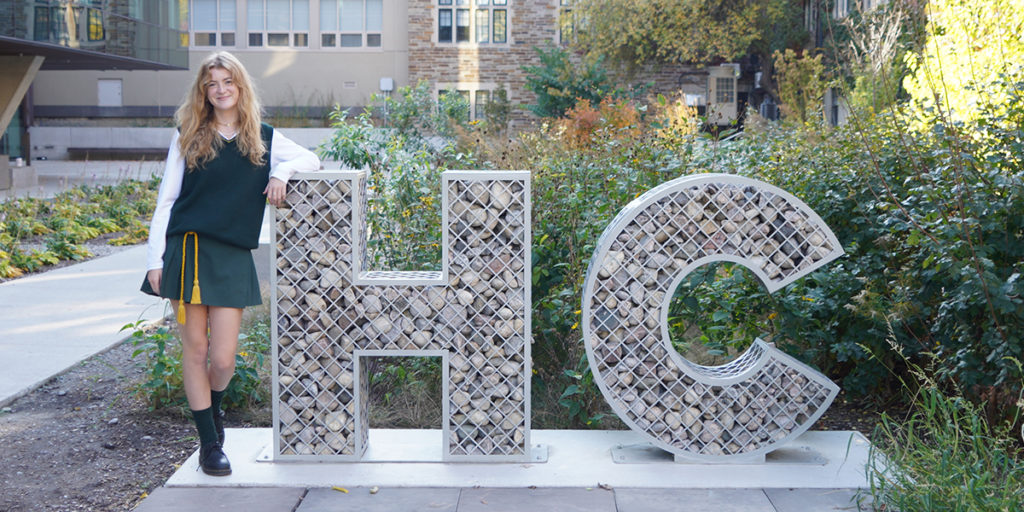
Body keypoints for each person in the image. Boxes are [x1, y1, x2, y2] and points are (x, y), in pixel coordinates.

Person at [141, 51, 320, 476]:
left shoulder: (262, 138)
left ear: (240, 87)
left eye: (228, 82)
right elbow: (167, 199)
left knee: (222, 359)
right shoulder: (188, 133)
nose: (220, 89)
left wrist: (282, 174)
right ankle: (208, 444)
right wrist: (155, 259)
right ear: (204, 91)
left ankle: (213, 413)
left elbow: (312, 159)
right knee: (196, 348)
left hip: (230, 255)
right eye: (212, 83)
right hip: (186, 251)